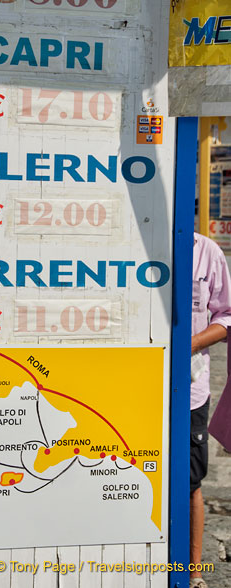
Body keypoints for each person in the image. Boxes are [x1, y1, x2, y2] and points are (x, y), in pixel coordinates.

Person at [190, 232, 231, 588]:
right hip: (132, 384)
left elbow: (226, 315)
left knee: (190, 480)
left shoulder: (207, 251)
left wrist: (192, 343)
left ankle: (192, 572)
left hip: (189, 388)